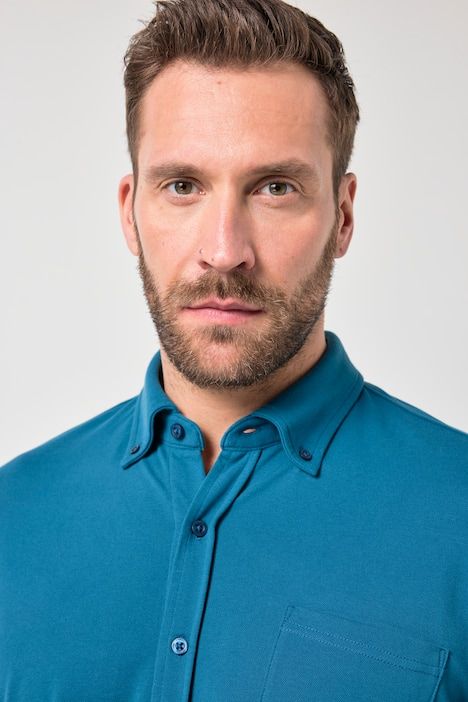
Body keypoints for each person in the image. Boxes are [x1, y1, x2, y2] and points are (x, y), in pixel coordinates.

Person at [1, 0, 467, 699]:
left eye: (275, 188)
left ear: (343, 216)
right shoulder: (13, 516)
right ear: (130, 210)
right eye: (182, 186)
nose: (224, 251)